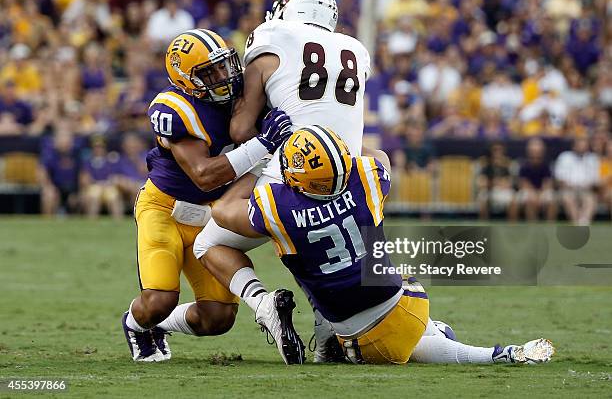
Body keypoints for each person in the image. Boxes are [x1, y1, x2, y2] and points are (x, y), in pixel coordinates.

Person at [209, 127, 555, 365]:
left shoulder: (278, 205)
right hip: (400, 304)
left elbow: (223, 211)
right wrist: (340, 144)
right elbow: (380, 156)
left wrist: (261, 161)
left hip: (355, 336)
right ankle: (486, 349)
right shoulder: (366, 178)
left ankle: (476, 348)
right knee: (424, 317)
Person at [191, 0, 371, 364]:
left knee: (209, 242)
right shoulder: (356, 49)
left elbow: (241, 129)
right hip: (351, 180)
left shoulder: (272, 36)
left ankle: (263, 303)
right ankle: (330, 329)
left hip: (295, 171)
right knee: (318, 247)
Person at [121, 28, 293, 362]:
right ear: (186, 81)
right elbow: (203, 175)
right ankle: (136, 323)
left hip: (211, 213)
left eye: (224, 65)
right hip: (165, 209)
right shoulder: (175, 107)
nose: (223, 76)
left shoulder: (244, 95)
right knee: (158, 300)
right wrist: (262, 144)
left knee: (218, 318)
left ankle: (162, 325)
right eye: (209, 73)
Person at [554, 137, 600, 225]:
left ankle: (584, 222)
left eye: (584, 146)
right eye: (580, 146)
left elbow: (595, 178)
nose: (582, 148)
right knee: (568, 198)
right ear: (574, 146)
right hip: (568, 189)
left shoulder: (592, 158)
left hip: (586, 189)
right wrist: (569, 186)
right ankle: (576, 222)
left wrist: (587, 185)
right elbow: (559, 177)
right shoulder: (564, 157)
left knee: (591, 199)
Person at [517, 138, 557, 221]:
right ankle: (533, 224)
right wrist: (533, 194)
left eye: (538, 150)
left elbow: (548, 182)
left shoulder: (546, 164)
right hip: (528, 190)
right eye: (533, 150)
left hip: (543, 191)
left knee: (551, 199)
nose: (535, 153)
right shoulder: (523, 164)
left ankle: (550, 226)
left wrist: (540, 194)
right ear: (529, 151)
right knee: (528, 199)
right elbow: (523, 183)